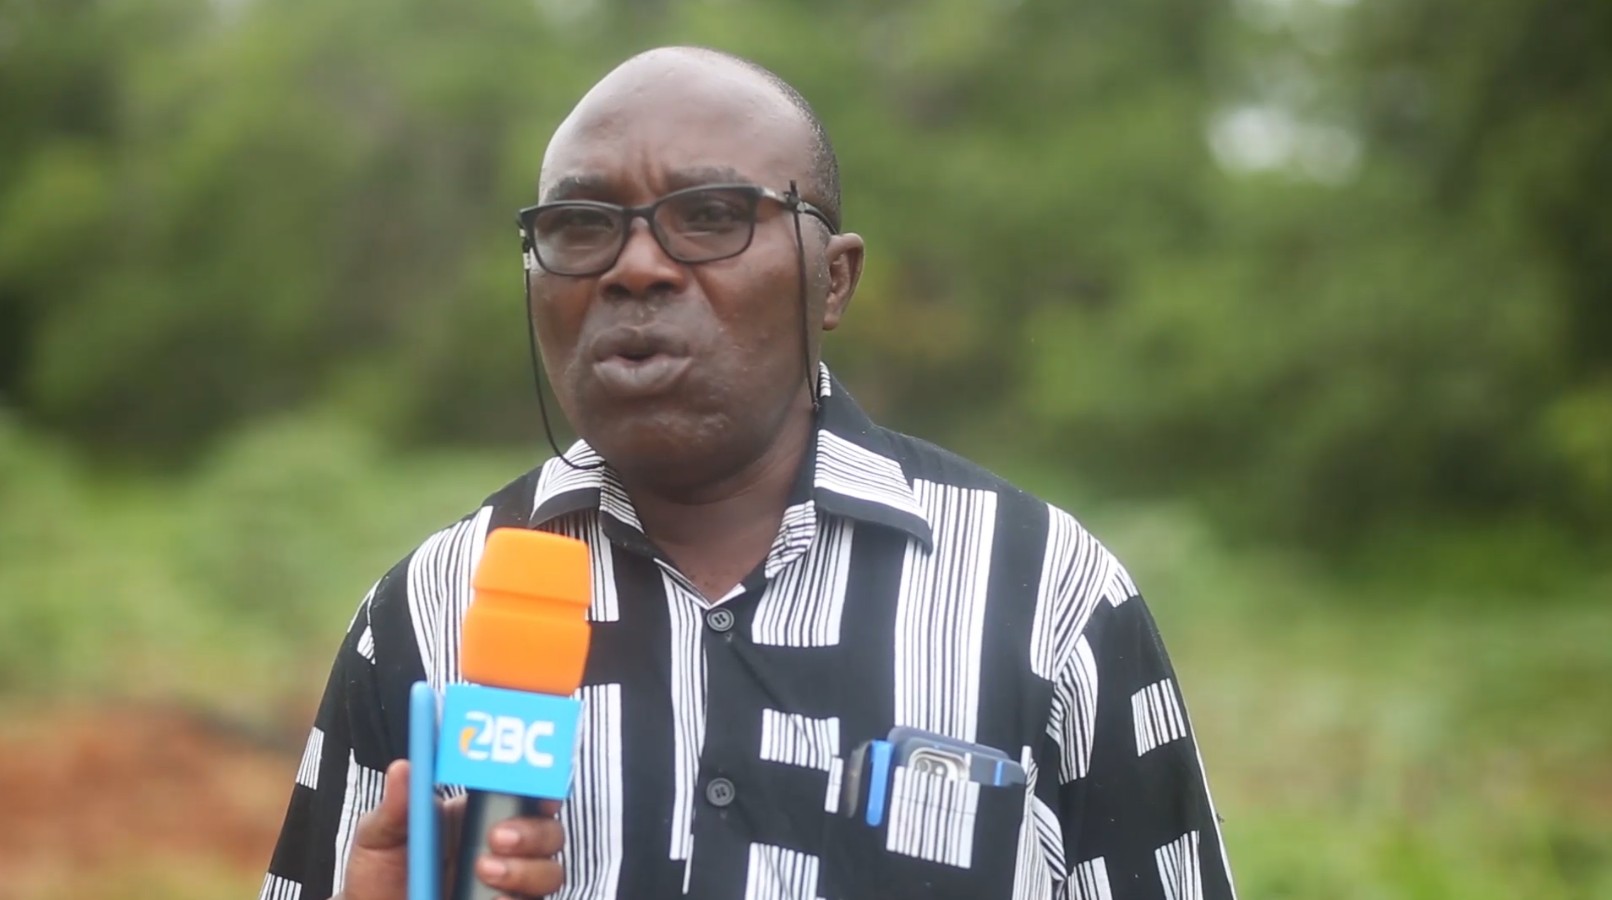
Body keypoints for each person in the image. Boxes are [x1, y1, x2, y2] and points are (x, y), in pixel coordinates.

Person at [260, 46, 1237, 900]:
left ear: (832, 280)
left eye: (712, 215)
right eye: (582, 226)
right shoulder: (427, 609)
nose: (635, 267)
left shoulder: (1048, 596)